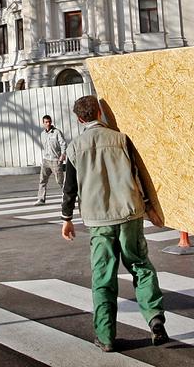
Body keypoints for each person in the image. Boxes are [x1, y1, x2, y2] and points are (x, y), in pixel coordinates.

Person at [60, 95, 167, 352]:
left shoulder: (74, 147)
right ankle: (154, 317)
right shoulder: (121, 139)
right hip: (129, 214)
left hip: (99, 222)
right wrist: (149, 207)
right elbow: (137, 175)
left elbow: (69, 188)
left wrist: (67, 219)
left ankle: (106, 337)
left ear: (79, 119)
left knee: (103, 278)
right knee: (140, 266)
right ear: (100, 112)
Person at [35, 114, 67, 205]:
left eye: (49, 122)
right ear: (43, 123)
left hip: (55, 160)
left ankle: (67, 197)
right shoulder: (42, 134)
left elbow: (63, 144)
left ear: (51, 122)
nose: (48, 123)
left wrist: (62, 155)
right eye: (46, 122)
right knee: (42, 180)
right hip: (46, 160)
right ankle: (41, 199)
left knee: (60, 181)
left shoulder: (57, 132)